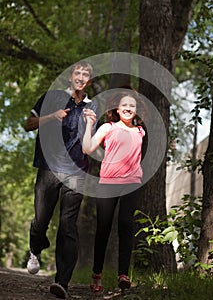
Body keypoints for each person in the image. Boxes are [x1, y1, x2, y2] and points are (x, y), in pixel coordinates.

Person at [24, 61, 98, 299]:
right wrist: (51, 116)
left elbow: (90, 148)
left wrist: (91, 126)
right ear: (70, 77)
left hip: (77, 171)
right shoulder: (52, 98)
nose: (81, 77)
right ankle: (36, 248)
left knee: (68, 226)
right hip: (48, 168)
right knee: (40, 221)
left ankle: (62, 282)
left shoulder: (92, 106)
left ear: (89, 81)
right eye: (78, 73)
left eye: (86, 74)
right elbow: (28, 125)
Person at [82, 89, 146, 293]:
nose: (128, 109)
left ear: (136, 111)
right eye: (124, 105)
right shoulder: (107, 127)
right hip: (108, 183)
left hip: (132, 182)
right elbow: (87, 148)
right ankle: (97, 274)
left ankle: (123, 275)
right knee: (103, 228)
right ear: (117, 109)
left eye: (132, 106)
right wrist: (90, 125)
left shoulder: (140, 131)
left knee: (126, 224)